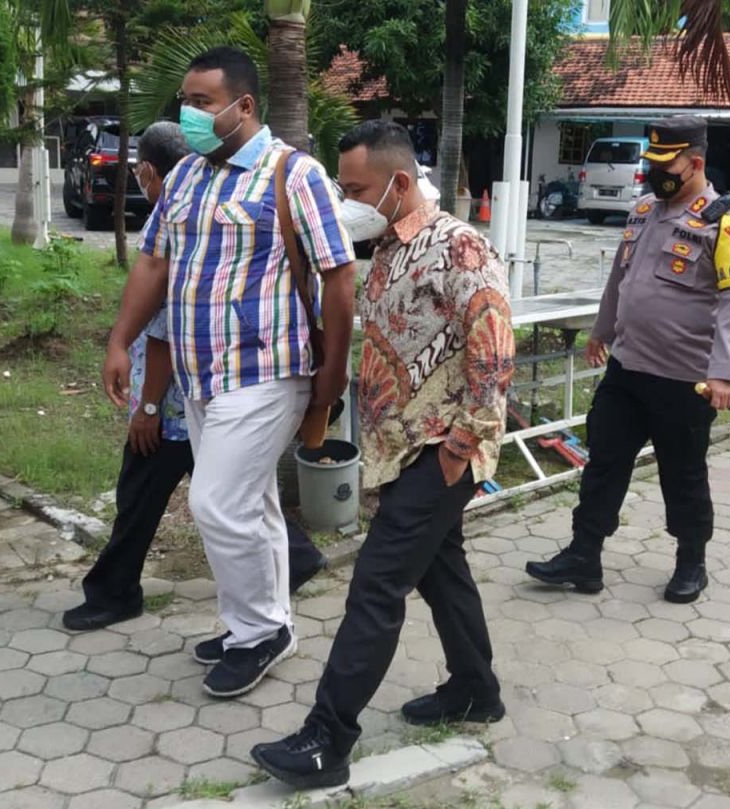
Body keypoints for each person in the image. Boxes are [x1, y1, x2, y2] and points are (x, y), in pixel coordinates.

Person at [249, 120, 515, 789]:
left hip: (439, 449)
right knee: (440, 570)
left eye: (357, 188)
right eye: (343, 187)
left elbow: (494, 343)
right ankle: (475, 689)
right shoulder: (392, 247)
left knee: (376, 586)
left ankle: (327, 737)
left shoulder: (458, 246)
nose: (347, 200)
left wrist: (464, 441)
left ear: (399, 182)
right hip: (399, 450)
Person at [101, 47, 355, 698]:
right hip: (200, 377)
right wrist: (121, 339)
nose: (186, 113)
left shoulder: (292, 174)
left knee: (215, 501)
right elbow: (154, 262)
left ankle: (260, 630)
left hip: (267, 370)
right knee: (254, 503)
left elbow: (338, 276)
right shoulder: (186, 178)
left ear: (243, 107)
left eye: (202, 102)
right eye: (183, 101)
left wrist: (331, 375)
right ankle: (258, 625)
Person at [65, 122, 329, 633]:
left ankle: (252, 627)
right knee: (239, 499)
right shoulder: (184, 199)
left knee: (188, 502)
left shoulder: (225, 208)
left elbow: (163, 332)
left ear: (145, 169)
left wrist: (147, 407)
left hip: (188, 398)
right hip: (201, 395)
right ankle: (280, 585)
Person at [525, 115, 730, 604]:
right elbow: (620, 277)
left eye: (664, 162)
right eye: (650, 162)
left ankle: (691, 562)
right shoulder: (645, 210)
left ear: (695, 162)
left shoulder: (724, 223)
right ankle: (584, 556)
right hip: (626, 368)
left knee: (683, 473)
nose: (654, 172)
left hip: (684, 380)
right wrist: (602, 329)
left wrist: (725, 374)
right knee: (603, 464)